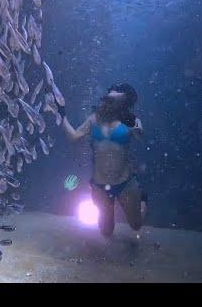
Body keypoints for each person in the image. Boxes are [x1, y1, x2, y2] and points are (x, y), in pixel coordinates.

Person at [57, 83, 147, 237]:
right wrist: (61, 114)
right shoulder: (94, 119)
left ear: (125, 101)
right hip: (99, 185)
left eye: (117, 92)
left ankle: (143, 199)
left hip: (125, 183)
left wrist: (137, 129)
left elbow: (140, 135)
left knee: (136, 225)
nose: (112, 93)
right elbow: (73, 136)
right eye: (110, 94)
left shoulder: (130, 120)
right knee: (106, 232)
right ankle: (121, 203)